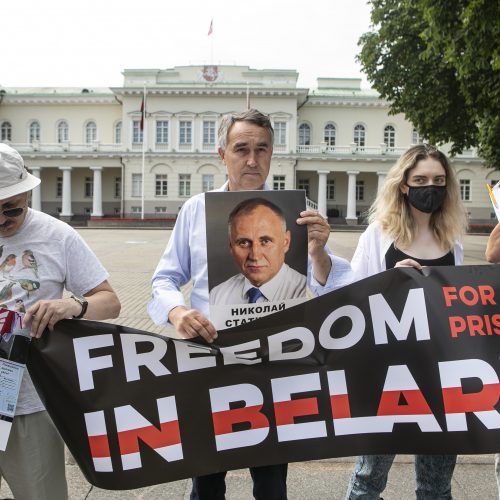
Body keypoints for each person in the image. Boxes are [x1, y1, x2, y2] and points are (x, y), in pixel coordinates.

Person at [148, 109, 353, 500]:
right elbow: (164, 279)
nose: (252, 160)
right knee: (206, 481)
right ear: (222, 154)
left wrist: (321, 253)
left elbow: (330, 291)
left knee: (272, 483)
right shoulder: (196, 210)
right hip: (210, 360)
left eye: (262, 149)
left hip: (275, 365)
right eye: (242, 149)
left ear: (273, 153)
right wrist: (177, 312)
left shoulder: (297, 212)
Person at [345, 143, 468, 500]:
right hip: (389, 376)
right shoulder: (379, 235)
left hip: (442, 378)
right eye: (421, 179)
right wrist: (388, 281)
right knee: (368, 479)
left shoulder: (453, 243)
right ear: (403, 185)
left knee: (436, 485)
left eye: (439, 180)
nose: (430, 187)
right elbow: (350, 300)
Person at [0, 143, 121, 499]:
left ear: (27, 192)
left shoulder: (57, 236)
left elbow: (110, 302)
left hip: (28, 400)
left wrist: (72, 306)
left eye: (11, 210)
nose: (2, 221)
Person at [209, 197, 307, 305]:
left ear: (286, 242)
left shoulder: (306, 293)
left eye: (265, 241)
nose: (255, 256)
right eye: (244, 243)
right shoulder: (217, 295)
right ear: (231, 246)